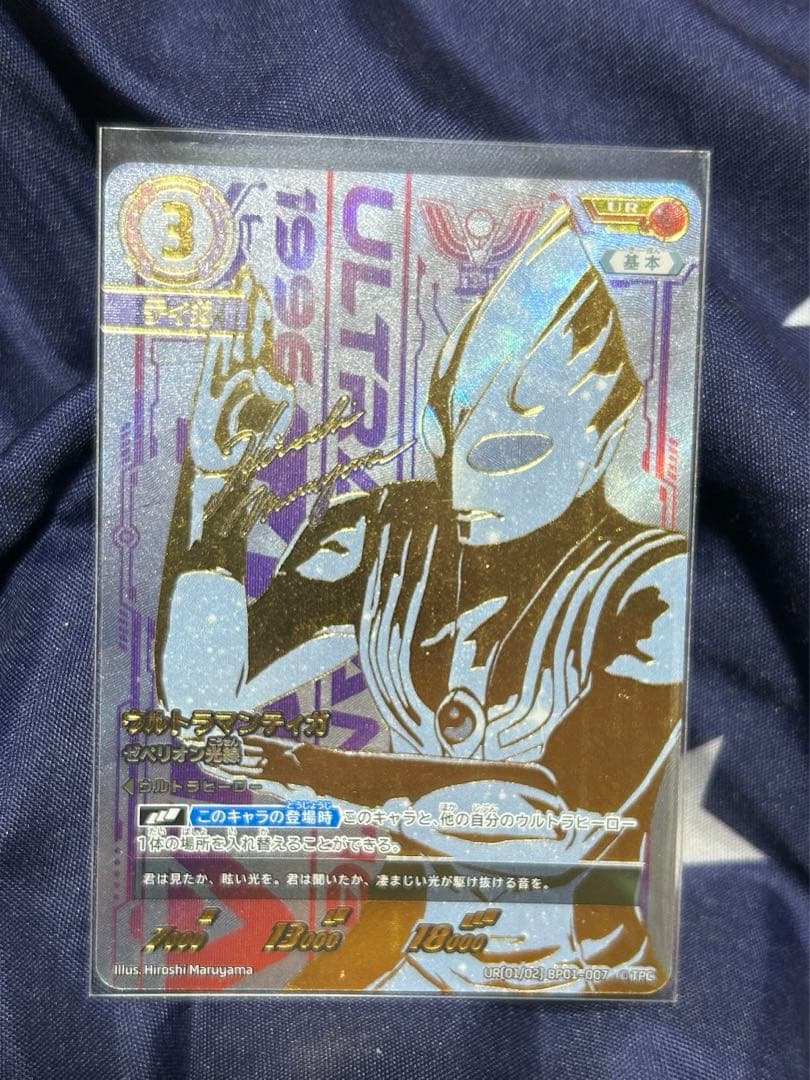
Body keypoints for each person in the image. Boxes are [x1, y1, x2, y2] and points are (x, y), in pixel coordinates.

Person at [156, 206, 687, 993]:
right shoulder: (384, 533)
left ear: (601, 443)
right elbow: (206, 706)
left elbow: (552, 817)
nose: (462, 484)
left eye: (510, 449)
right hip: (399, 962)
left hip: (578, 986)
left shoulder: (651, 584)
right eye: (445, 438)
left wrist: (305, 770)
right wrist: (218, 487)